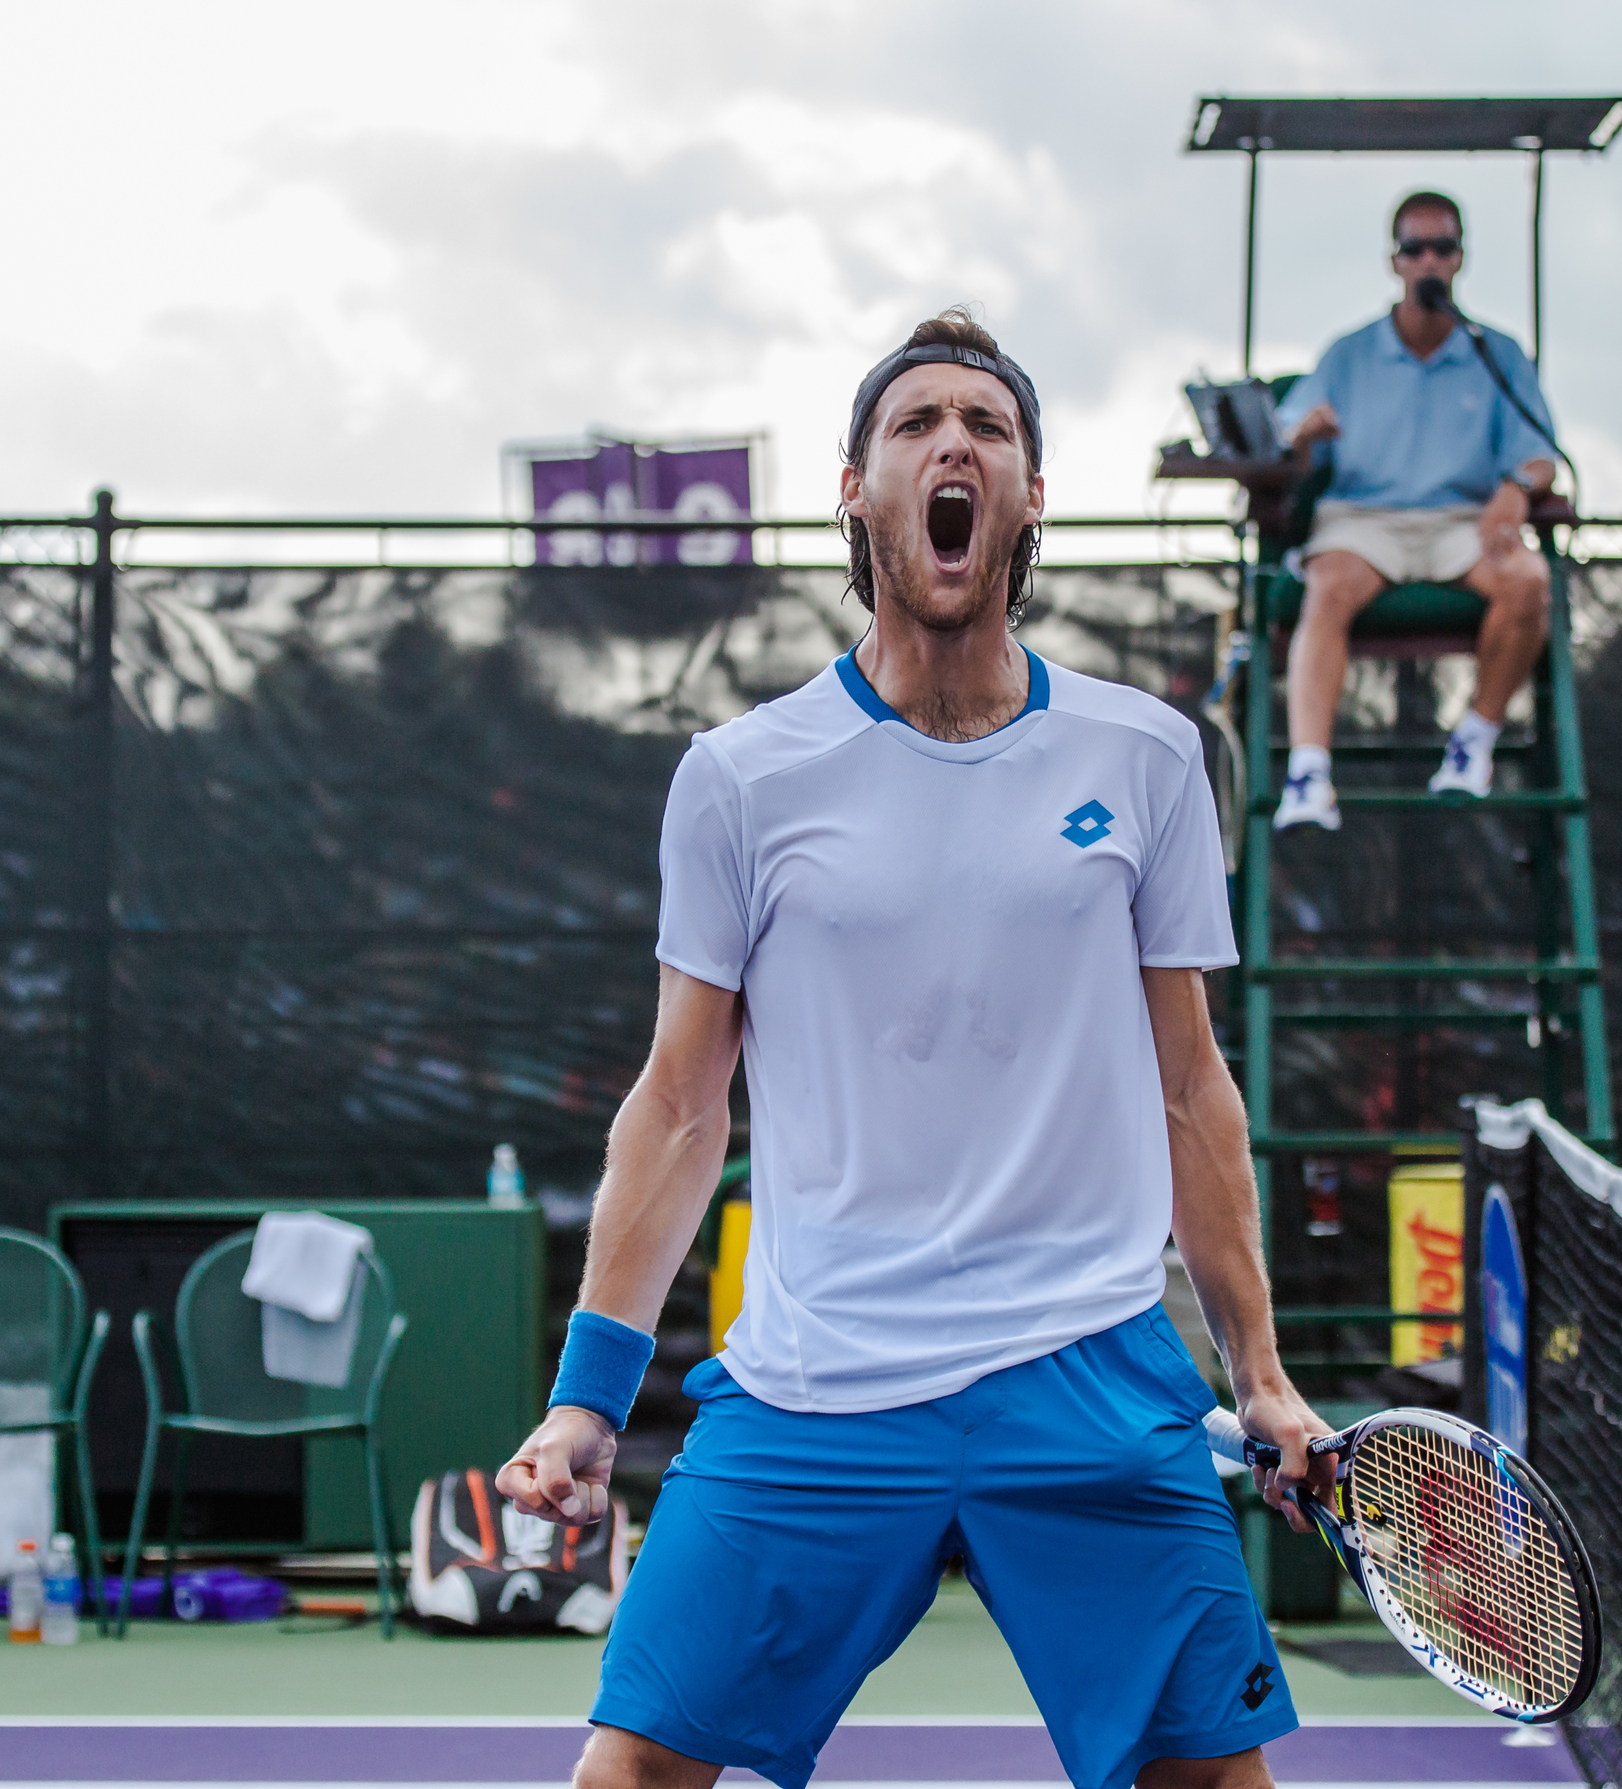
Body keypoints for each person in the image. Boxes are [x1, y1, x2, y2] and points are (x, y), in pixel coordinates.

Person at [497, 307, 1335, 1789]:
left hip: (1089, 1368)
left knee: (1220, 1784)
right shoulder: (740, 779)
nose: (956, 442)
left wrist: (1258, 1369)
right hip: (819, 1381)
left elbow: (1191, 1087)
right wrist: (587, 1391)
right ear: (856, 488)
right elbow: (681, 1106)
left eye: (991, 428)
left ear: (1026, 498)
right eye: (916, 425)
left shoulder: (1145, 760)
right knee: (626, 1776)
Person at [1270, 191, 1560, 830]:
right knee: (1328, 585)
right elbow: (1283, 429)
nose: (1429, 261)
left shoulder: (1497, 352)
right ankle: (1310, 774)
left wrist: (1514, 489)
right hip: (1362, 521)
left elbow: (1542, 454)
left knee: (1530, 581)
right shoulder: (1347, 353)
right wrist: (1302, 434)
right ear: (1394, 261)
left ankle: (1473, 743)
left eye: (1443, 248)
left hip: (1464, 523)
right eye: (1414, 248)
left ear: (1460, 259)